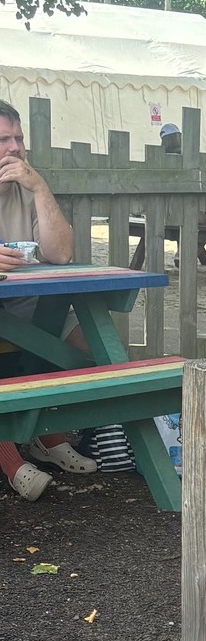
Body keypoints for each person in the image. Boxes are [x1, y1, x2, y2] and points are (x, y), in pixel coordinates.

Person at [0, 98, 97, 501]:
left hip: (26, 307)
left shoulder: (27, 187)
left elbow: (60, 253)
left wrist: (39, 186)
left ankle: (46, 433)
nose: (16, 148)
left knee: (87, 340)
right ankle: (9, 458)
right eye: (4, 140)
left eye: (19, 138)